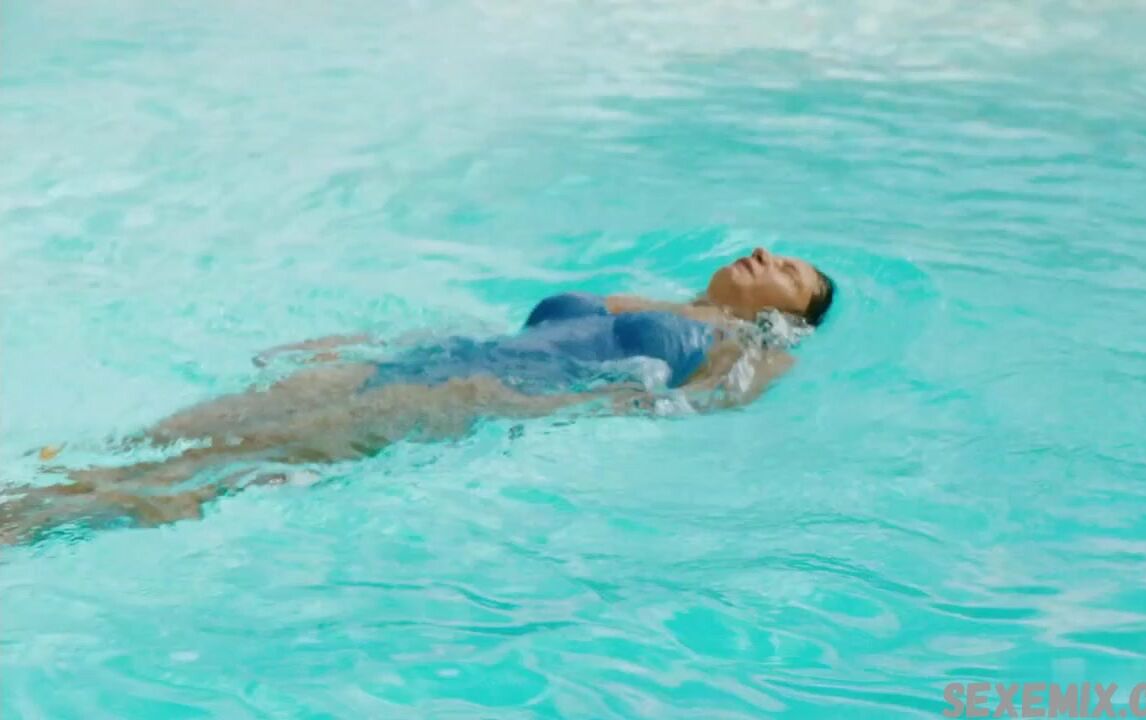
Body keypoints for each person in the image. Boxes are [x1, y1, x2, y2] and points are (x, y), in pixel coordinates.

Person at [0, 247, 834, 543]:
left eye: (789, 271)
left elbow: (698, 407)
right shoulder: (644, 301)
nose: (765, 256)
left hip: (483, 392)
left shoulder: (755, 348)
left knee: (232, 459)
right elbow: (517, 328)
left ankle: (35, 527)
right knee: (173, 431)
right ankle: (32, 496)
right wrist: (366, 344)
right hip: (436, 359)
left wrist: (558, 411)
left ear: (793, 314)